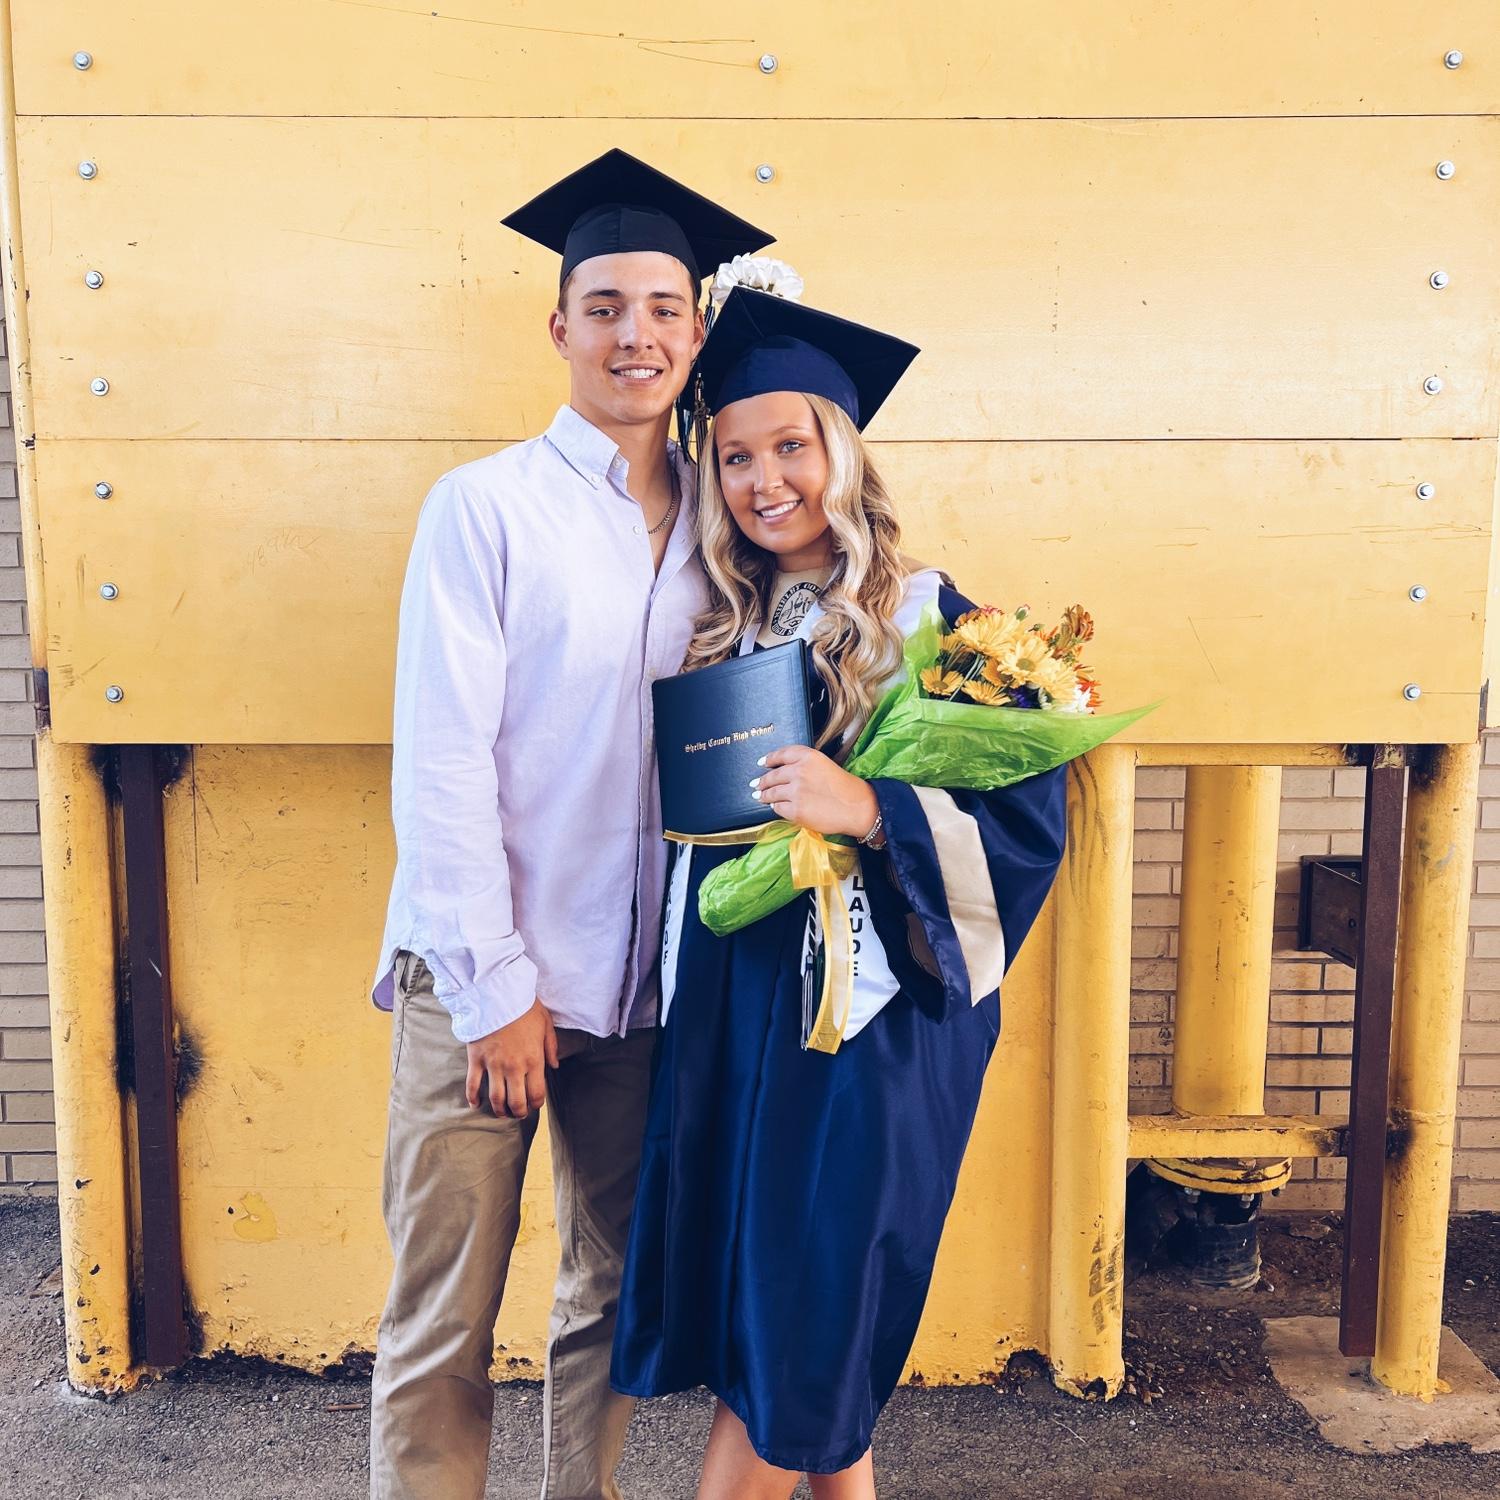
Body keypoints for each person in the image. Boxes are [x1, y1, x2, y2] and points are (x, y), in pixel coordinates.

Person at [610, 287, 1070, 1499]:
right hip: (743, 1034)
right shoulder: (722, 620)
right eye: (737, 457)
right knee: (806, 1344)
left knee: (795, 1341)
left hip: (864, 1039)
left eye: (791, 447)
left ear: (842, 450)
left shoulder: (938, 624)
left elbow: (1026, 826)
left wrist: (867, 808)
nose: (765, 481)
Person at [368, 151, 773, 1500]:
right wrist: (493, 994)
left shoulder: (731, 527)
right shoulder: (486, 509)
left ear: (696, 332)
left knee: (613, 1302)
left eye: (662, 308)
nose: (634, 335)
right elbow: (441, 767)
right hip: (483, 986)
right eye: (604, 307)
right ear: (560, 328)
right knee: (444, 1322)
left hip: (643, 994)